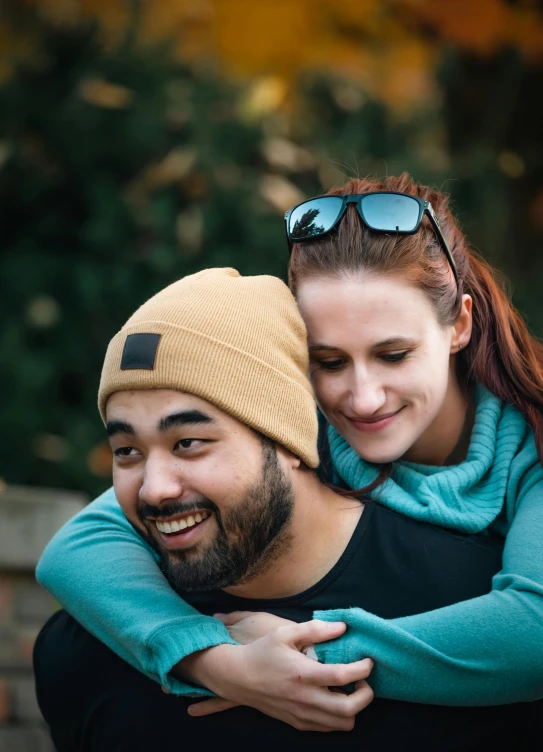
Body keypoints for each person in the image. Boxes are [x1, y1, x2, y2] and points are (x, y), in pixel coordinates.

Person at [36, 174, 543, 718]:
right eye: (328, 362)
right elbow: (80, 544)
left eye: (393, 355)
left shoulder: (529, 443)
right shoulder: (297, 427)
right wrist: (213, 659)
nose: (363, 398)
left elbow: (534, 629)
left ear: (458, 325)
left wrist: (310, 655)